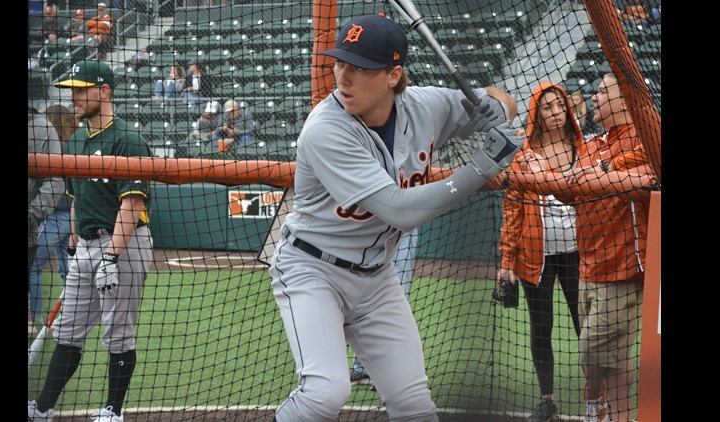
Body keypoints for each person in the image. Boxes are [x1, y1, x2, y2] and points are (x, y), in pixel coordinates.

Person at [267, 14, 522, 422]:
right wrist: (479, 170)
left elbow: (497, 96)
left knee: (414, 404)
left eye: (360, 68)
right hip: (313, 269)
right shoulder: (326, 129)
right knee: (325, 393)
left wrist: (498, 107)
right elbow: (399, 210)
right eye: (340, 63)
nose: (343, 77)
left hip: (377, 278)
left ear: (393, 74)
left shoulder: (426, 106)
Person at [518, 73, 657, 422]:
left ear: (624, 101)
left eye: (601, 92)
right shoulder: (594, 144)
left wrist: (606, 170)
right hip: (589, 266)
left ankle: (599, 405)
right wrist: (540, 168)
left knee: (596, 351)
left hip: (623, 267)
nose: (592, 98)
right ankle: (603, 409)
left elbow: (637, 177)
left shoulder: (645, 139)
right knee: (605, 354)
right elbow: (570, 188)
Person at [28, 60, 155, 422]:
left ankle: (113, 412)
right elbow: (74, 198)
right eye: (72, 90)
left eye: (82, 90)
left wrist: (111, 256)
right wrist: (73, 242)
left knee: (118, 333)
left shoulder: (128, 139)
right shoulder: (77, 140)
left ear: (105, 91)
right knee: (68, 331)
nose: (74, 97)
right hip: (84, 245)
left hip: (123, 245)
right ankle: (42, 408)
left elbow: (132, 204)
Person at [497, 82, 586, 422]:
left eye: (559, 107)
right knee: (541, 327)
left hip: (579, 252)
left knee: (586, 327)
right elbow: (512, 212)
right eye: (547, 108)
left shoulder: (583, 148)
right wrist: (505, 262)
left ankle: (599, 394)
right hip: (536, 256)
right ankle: (546, 399)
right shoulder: (523, 154)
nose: (554, 114)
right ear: (536, 112)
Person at [349, 227, 419, 388]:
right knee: (364, 292)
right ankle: (364, 369)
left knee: (394, 296)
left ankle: (390, 373)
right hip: (373, 225)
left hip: (401, 226)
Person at [29, 104, 77, 328]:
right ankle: (76, 311)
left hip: (61, 215)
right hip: (70, 215)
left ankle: (34, 318)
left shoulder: (60, 150)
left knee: (33, 264)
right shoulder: (73, 146)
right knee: (66, 269)